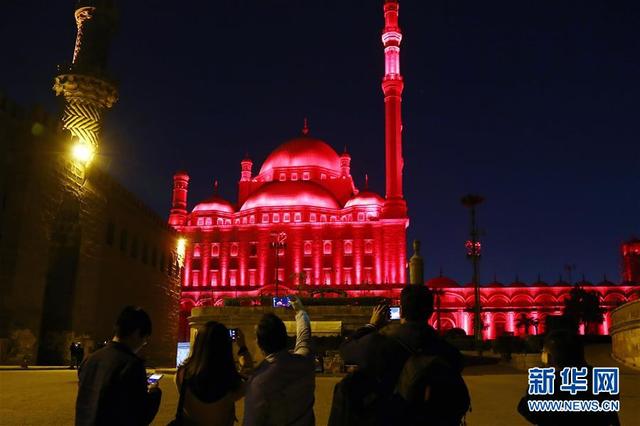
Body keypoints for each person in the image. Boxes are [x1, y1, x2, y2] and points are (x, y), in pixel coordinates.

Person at [332, 285, 467, 425]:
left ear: (401, 311)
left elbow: (345, 350)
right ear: (431, 312)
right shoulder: (449, 352)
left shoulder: (380, 344)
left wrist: (372, 325)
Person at [75, 306, 161, 426]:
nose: (143, 344)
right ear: (136, 333)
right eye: (145, 339)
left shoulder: (90, 359)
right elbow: (140, 416)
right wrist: (154, 393)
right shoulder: (132, 364)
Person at [517, 330, 621, 426]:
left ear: (549, 357)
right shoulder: (603, 380)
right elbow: (612, 416)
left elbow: (526, 410)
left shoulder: (545, 383)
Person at [243, 295, 315, 426]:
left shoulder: (258, 382)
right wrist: (299, 310)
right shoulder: (305, 362)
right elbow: (304, 335)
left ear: (260, 345)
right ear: (285, 337)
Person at [174, 321, 254, 426]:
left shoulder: (181, 376)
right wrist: (242, 348)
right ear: (226, 347)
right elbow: (249, 372)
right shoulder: (231, 383)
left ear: (198, 344)